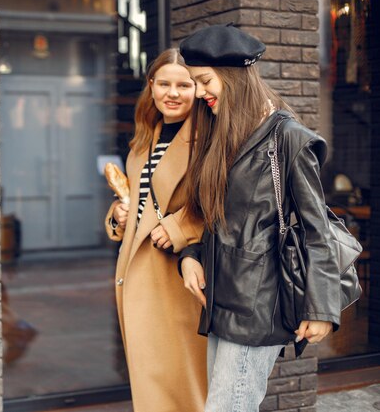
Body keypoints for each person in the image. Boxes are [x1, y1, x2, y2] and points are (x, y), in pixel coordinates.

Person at [178, 24, 342, 412]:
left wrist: (321, 310)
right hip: (221, 299)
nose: (199, 93)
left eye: (204, 81)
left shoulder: (287, 138)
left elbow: (317, 232)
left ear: (233, 77)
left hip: (259, 305)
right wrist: (191, 255)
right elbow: (224, 224)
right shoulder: (224, 136)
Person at [104, 48, 207, 412]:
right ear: (151, 86)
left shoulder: (209, 138)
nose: (173, 93)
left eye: (184, 84)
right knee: (153, 384)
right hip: (137, 274)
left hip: (179, 276)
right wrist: (118, 215)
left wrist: (180, 228)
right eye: (164, 83)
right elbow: (143, 203)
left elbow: (228, 199)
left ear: (198, 90)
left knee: (185, 384)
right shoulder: (146, 138)